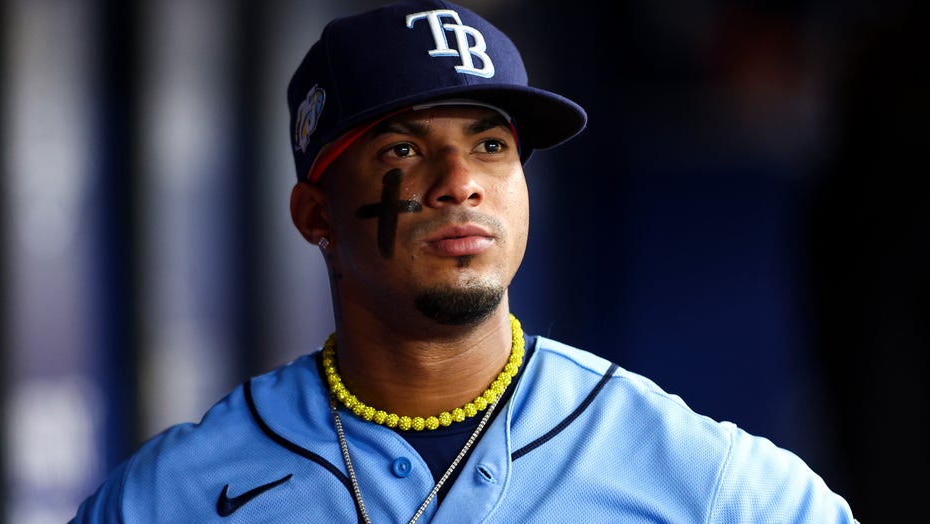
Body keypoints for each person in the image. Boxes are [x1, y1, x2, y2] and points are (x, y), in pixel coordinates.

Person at [72, 1, 858, 522]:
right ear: (316, 216)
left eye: (490, 146)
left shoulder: (695, 473)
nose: (461, 185)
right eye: (404, 149)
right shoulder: (172, 496)